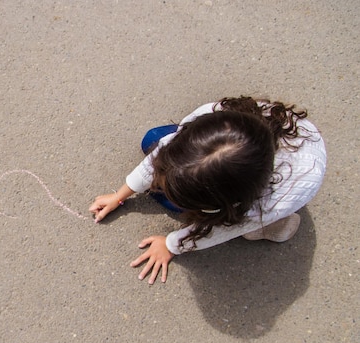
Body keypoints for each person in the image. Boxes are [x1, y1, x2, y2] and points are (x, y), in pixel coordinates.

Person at [89, 96, 326, 284]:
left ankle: (275, 226)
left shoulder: (268, 201)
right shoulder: (213, 114)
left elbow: (218, 230)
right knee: (152, 140)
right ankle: (181, 180)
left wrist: (171, 244)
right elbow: (164, 150)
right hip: (250, 154)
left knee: (239, 223)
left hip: (279, 193)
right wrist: (121, 194)